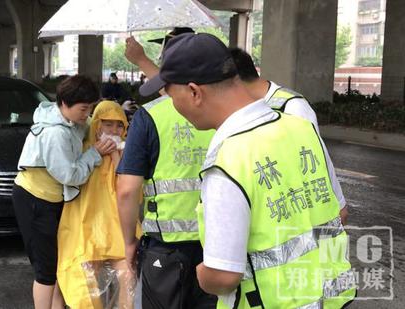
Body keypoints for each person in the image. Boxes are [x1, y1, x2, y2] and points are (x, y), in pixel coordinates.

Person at [140, 32, 356, 308]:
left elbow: (223, 276)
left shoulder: (229, 161)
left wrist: (202, 274)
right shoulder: (301, 128)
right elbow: (341, 212)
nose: (173, 105)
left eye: (171, 95)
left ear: (194, 92)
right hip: (330, 299)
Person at [117, 31, 217, 308]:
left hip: (165, 247)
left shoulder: (150, 116)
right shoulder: (225, 114)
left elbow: (127, 191)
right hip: (219, 243)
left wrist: (128, 242)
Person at [12, 75, 117, 309]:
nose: (87, 114)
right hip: (35, 201)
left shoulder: (73, 121)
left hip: (53, 200)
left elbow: (93, 128)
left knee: (60, 263)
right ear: (65, 103)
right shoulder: (55, 134)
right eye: (83, 108)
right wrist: (95, 154)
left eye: (90, 108)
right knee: (46, 270)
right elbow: (70, 176)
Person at [230, 47, 349, 224]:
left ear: (234, 82)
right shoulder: (244, 108)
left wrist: (338, 204)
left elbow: (317, 162)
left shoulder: (293, 108)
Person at [57, 100, 139, 309]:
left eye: (119, 125)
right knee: (83, 279)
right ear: (97, 125)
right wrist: (96, 153)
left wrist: (114, 155)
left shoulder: (128, 153)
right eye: (107, 124)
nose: (113, 130)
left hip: (119, 227)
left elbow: (128, 188)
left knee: (128, 275)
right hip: (86, 227)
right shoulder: (83, 150)